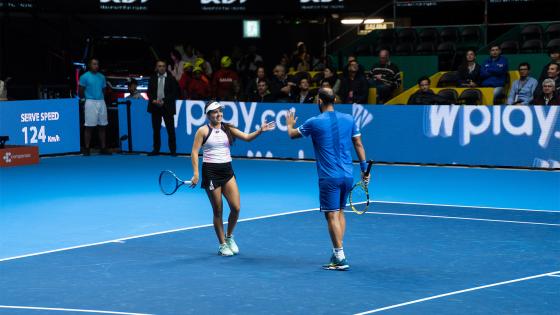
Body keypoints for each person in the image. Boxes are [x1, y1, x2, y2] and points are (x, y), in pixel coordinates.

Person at [286, 87, 369, 271]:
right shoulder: (350, 119)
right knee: (339, 212)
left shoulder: (314, 122)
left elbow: (292, 135)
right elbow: (359, 143)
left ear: (319, 101)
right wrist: (365, 169)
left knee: (331, 215)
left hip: (329, 177)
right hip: (348, 175)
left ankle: (340, 256)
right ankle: (337, 252)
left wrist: (289, 124)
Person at [190, 101, 276, 256]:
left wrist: (260, 130)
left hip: (227, 171)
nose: (219, 114)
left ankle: (229, 237)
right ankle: (222, 244)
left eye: (220, 111)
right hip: (210, 172)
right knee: (218, 210)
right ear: (208, 115)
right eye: (215, 112)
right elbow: (194, 152)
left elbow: (247, 137)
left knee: (236, 207)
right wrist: (196, 174)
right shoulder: (202, 131)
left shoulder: (227, 128)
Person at [79, 58, 110, 156]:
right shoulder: (84, 77)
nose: (96, 66)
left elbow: (104, 90)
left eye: (97, 64)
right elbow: (80, 90)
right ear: (89, 65)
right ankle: (87, 148)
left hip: (101, 101)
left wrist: (100, 98)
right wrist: (85, 99)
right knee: (89, 126)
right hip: (90, 102)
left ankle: (103, 148)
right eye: (94, 64)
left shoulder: (102, 77)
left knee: (103, 126)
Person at [147, 60, 179, 156]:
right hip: (155, 106)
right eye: (159, 66)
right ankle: (156, 150)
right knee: (156, 130)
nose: (161, 68)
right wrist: (153, 100)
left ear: (165, 67)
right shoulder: (152, 78)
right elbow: (149, 92)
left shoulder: (171, 79)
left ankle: (173, 151)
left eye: (163, 66)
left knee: (170, 130)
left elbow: (174, 93)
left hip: (167, 107)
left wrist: (163, 100)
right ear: (156, 67)